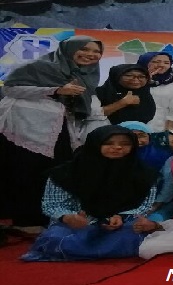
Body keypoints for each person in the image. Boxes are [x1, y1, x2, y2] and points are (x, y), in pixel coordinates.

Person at [0, 36, 102, 230]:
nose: (91, 54)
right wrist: (56, 90)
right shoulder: (39, 66)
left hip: (58, 127)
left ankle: (47, 218)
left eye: (97, 51)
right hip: (24, 124)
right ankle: (25, 220)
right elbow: (10, 90)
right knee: (25, 171)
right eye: (84, 49)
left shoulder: (86, 74)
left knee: (52, 172)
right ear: (69, 49)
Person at [21, 126, 157, 261]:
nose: (117, 147)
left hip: (120, 225)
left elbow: (144, 205)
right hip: (75, 225)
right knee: (56, 237)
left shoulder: (143, 174)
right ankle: (102, 250)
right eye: (108, 143)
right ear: (95, 144)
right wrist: (69, 217)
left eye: (125, 144)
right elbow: (52, 204)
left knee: (133, 233)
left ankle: (76, 251)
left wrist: (121, 216)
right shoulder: (65, 173)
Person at [92, 64, 155, 131]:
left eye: (141, 76)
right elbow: (91, 115)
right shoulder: (99, 93)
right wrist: (122, 103)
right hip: (106, 132)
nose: (136, 79)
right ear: (116, 76)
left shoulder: (149, 93)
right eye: (129, 75)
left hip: (143, 133)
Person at [137, 51, 173, 132]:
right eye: (156, 62)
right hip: (133, 125)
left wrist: (170, 133)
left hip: (160, 127)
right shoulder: (131, 81)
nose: (161, 65)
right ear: (145, 62)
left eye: (166, 63)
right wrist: (145, 80)